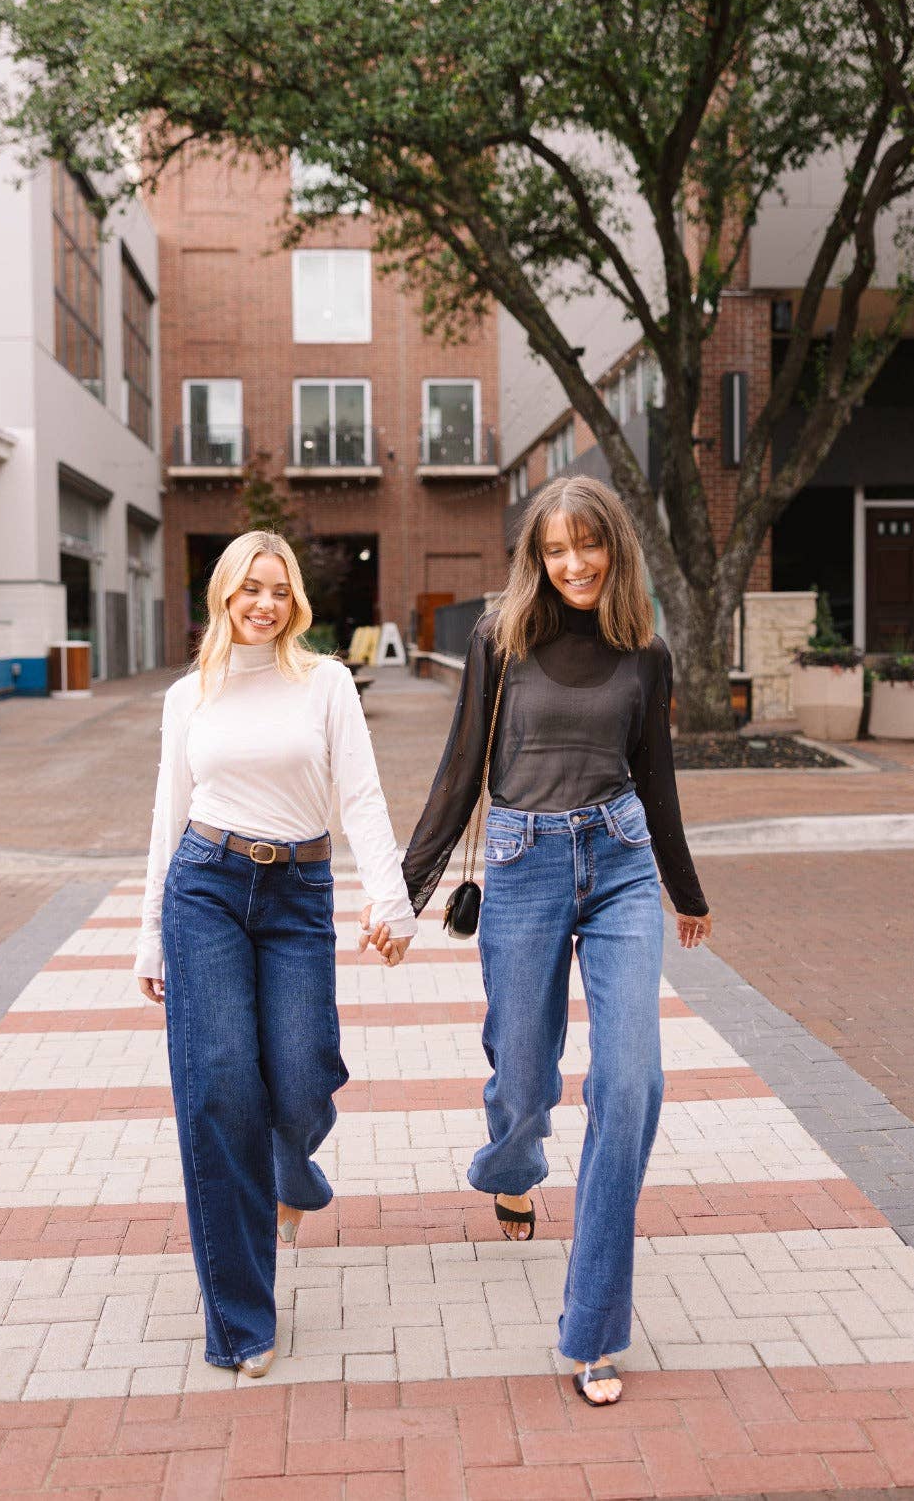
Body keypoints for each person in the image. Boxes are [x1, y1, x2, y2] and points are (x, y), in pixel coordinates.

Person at [369, 475, 711, 1407]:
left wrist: (684, 888)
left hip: (622, 866)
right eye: (555, 550)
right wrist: (403, 895)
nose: (573, 565)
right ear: (534, 556)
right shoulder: (498, 638)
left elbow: (657, 779)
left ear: (614, 547)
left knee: (630, 1082)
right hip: (520, 866)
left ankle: (592, 1330)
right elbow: (456, 770)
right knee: (523, 1072)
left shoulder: (645, 651)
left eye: (587, 547)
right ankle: (513, 1165)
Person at [135, 530, 416, 1378]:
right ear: (222, 595)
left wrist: (389, 895)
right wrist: (149, 929)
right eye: (248, 588)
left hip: (297, 893)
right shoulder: (188, 697)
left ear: (295, 599)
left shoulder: (324, 683)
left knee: (298, 1081)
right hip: (205, 887)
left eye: (279, 589)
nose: (264, 603)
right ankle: (240, 1322)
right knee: (219, 1089)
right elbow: (167, 811)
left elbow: (358, 793)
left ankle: (292, 1171)